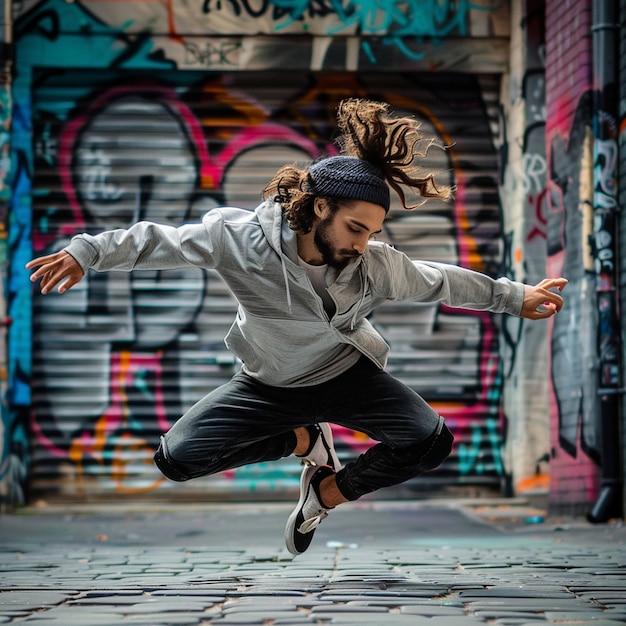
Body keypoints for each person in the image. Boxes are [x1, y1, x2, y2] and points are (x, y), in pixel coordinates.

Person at [26, 99, 567, 555]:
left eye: (372, 231)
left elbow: (439, 280)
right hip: (268, 383)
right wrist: (86, 252)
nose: (362, 242)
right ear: (319, 206)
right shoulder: (238, 239)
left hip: (347, 376)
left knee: (430, 442)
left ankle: (326, 494)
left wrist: (515, 297)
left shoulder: (373, 263)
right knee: (176, 459)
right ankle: (303, 439)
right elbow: (158, 239)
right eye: (355, 227)